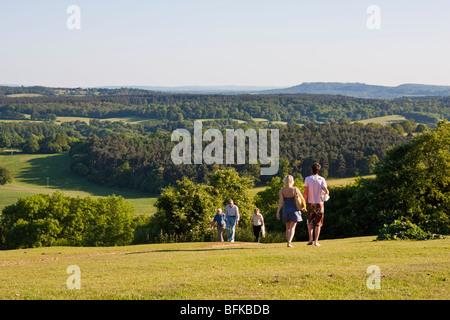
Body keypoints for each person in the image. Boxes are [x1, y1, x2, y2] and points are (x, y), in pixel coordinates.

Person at [303, 163, 329, 246]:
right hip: (320, 204)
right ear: (318, 170)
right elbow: (326, 191)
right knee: (318, 223)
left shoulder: (307, 179)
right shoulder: (322, 179)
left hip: (311, 203)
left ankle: (310, 239)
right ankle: (316, 241)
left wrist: (303, 204)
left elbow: (306, 193)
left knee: (309, 222)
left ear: (312, 170)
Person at [276, 175, 305, 247]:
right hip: (294, 210)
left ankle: (288, 241)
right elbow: (302, 199)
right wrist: (303, 207)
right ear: (292, 181)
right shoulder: (295, 189)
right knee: (292, 227)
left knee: (287, 228)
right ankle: (289, 242)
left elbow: (280, 202)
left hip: (286, 210)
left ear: (285, 181)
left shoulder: (282, 191)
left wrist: (278, 212)